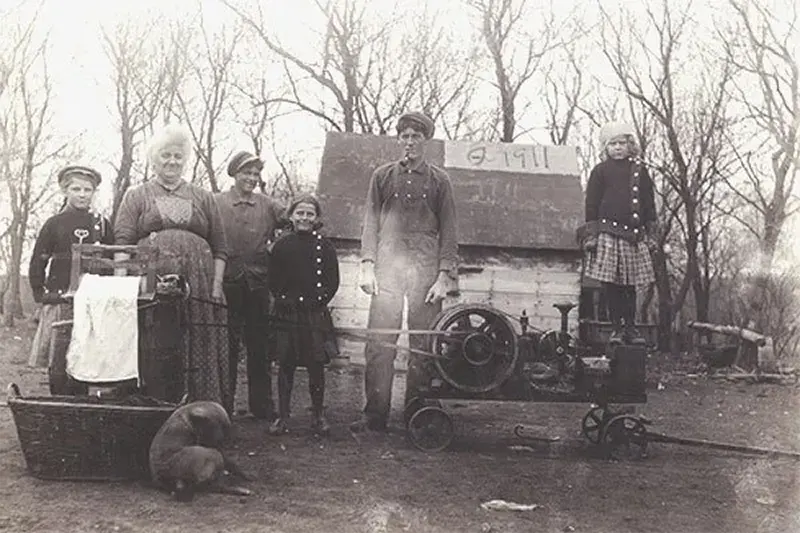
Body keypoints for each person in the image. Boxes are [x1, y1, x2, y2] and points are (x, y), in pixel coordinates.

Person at [351, 111, 459, 432]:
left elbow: (450, 230)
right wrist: (367, 265)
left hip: (425, 272)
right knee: (380, 340)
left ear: (425, 141)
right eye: (405, 136)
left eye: (416, 137)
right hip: (387, 267)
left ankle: (417, 411)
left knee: (423, 342)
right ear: (399, 140)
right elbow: (370, 223)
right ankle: (375, 414)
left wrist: (444, 275)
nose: (410, 142)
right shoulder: (382, 176)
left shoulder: (440, 180)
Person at [114, 124, 232, 411]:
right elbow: (123, 241)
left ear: (185, 159)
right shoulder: (137, 194)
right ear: (154, 158)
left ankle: (202, 408)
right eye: (165, 155)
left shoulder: (203, 196)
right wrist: (121, 283)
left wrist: (215, 288)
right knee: (157, 338)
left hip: (200, 280)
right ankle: (155, 408)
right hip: (150, 278)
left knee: (197, 334)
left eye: (178, 156)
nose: (172, 161)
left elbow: (220, 245)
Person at [28, 165, 113, 394]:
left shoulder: (102, 224)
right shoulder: (54, 223)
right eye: (76, 189)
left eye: (88, 189)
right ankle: (59, 401)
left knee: (87, 355)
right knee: (59, 356)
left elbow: (113, 259)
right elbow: (38, 260)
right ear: (65, 190)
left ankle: (81, 404)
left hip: (92, 301)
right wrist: (42, 293)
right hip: (61, 299)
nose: (82, 194)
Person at [216, 151, 283, 420]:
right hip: (226, 281)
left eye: (256, 174)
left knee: (259, 346)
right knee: (226, 345)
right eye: (247, 173)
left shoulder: (267, 205)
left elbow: (297, 219)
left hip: (258, 284)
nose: (252, 179)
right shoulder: (216, 202)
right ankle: (223, 404)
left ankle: (262, 406)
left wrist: (277, 249)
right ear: (234, 174)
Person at [578, 121, 657, 345]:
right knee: (610, 285)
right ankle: (615, 328)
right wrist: (592, 235)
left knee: (629, 286)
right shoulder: (599, 171)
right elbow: (591, 204)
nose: (618, 148)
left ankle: (630, 328)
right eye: (612, 144)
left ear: (630, 145)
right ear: (605, 147)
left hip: (632, 236)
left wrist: (651, 234)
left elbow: (649, 203)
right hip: (608, 235)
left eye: (622, 143)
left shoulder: (640, 171)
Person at [267, 195, 340, 436]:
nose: (304, 218)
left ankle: (318, 415)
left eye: (310, 214)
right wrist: (283, 300)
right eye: (300, 213)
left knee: (316, 366)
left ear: (316, 218)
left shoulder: (325, 247)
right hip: (287, 314)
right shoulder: (281, 245)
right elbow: (273, 280)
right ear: (291, 216)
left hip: (314, 314)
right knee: (285, 366)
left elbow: (332, 281)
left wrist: (318, 302)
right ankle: (283, 416)